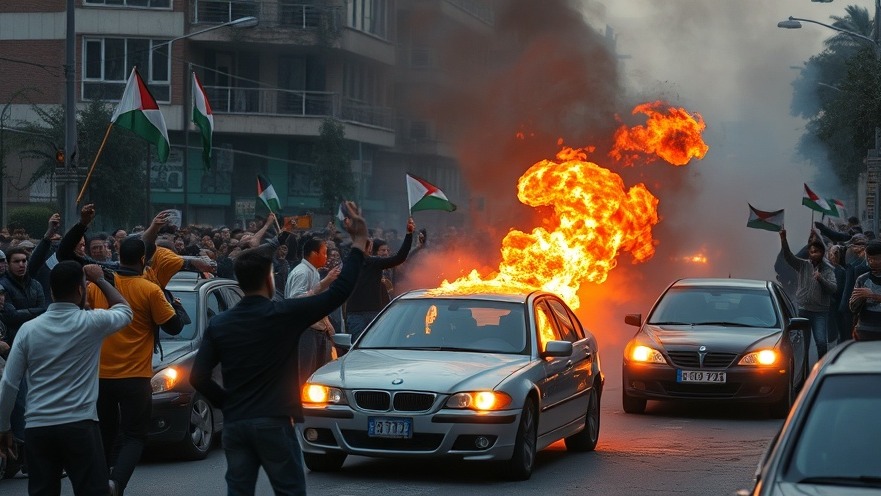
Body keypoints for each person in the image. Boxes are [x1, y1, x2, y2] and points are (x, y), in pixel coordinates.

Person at [189, 201, 369, 496]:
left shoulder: (220, 323)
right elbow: (339, 292)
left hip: (236, 425)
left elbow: (199, 377)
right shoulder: (283, 314)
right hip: (273, 422)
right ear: (270, 281)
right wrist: (359, 243)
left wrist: (229, 404)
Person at [0, 262, 133, 495]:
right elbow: (124, 310)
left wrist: (3, 427)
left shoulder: (28, 330)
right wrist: (101, 279)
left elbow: (9, 384)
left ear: (51, 291)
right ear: (81, 290)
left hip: (38, 428)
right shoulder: (92, 323)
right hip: (80, 425)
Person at [345, 217, 416, 339]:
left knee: (361, 345)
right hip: (361, 313)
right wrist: (409, 235)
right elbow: (399, 258)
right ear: (368, 248)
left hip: (363, 312)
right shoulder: (366, 262)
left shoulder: (353, 262)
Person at [285, 236, 341, 387]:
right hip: (305, 330)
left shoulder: (314, 272)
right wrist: (324, 283)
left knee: (316, 374)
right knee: (305, 374)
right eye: (324, 253)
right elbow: (295, 301)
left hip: (316, 329)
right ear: (314, 254)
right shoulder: (302, 272)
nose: (326, 257)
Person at [779, 229, 837, 359]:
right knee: (803, 345)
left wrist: (820, 279)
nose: (814, 254)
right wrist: (783, 239)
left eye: (816, 251)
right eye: (811, 252)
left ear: (822, 253)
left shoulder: (828, 270)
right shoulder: (803, 265)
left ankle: (821, 369)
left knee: (821, 343)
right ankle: (804, 371)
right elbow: (788, 256)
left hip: (820, 312)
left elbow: (833, 288)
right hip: (803, 310)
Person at [849, 240, 881, 341]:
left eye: (876, 259)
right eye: (869, 259)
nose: (872, 262)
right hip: (865, 330)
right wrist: (860, 298)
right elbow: (853, 308)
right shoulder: (862, 279)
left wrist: (873, 296)